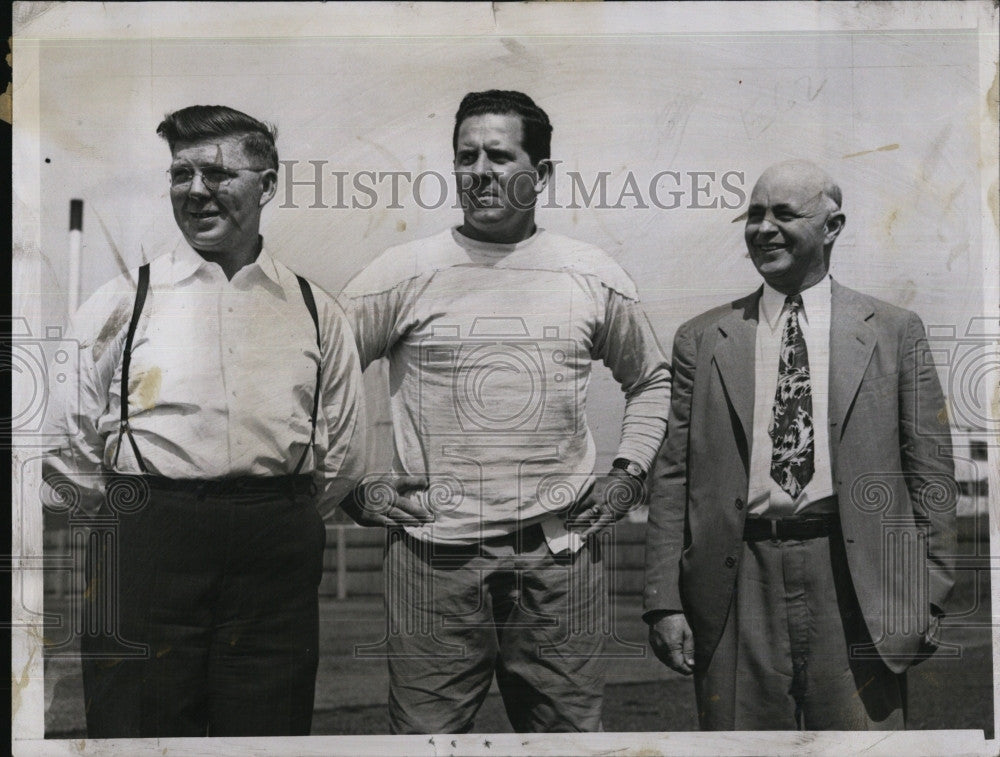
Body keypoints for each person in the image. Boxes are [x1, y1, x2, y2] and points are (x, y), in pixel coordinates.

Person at [339, 90, 670, 733]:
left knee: (568, 742)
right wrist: (352, 484)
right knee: (426, 745)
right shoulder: (403, 272)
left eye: (499, 155)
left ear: (540, 174)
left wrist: (629, 473)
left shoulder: (589, 274)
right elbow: (318, 379)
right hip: (433, 557)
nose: (480, 171)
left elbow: (652, 379)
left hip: (558, 557)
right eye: (466, 157)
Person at [42, 105, 367, 737]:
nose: (196, 191)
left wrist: (261, 507)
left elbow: (343, 455)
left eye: (217, 174)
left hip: (272, 557)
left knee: (265, 735)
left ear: (267, 184)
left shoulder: (315, 310)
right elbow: (67, 445)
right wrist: (145, 509)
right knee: (135, 732)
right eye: (179, 174)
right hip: (146, 543)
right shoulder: (118, 303)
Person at [643, 160, 957, 730]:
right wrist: (664, 600)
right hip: (735, 585)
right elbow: (672, 480)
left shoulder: (894, 330)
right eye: (754, 214)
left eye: (784, 214)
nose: (762, 229)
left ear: (833, 227)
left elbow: (930, 470)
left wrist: (930, 592)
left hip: (861, 583)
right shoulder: (702, 338)